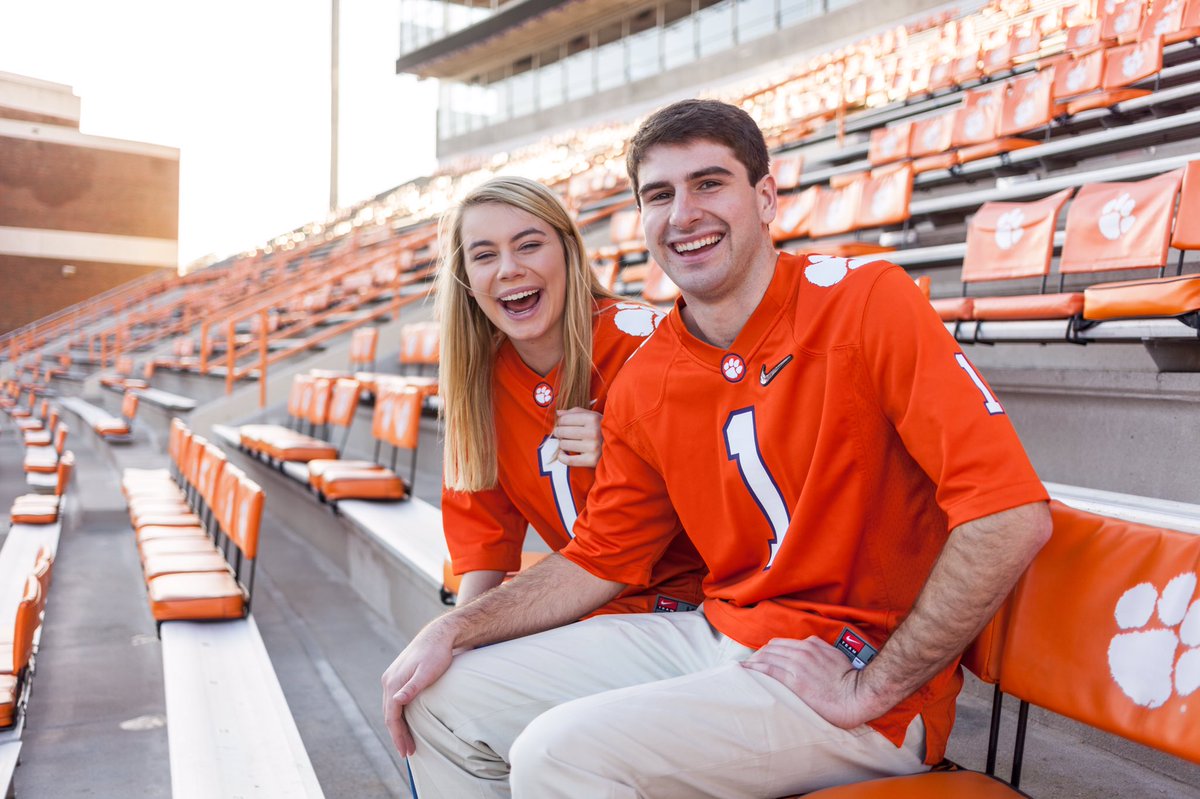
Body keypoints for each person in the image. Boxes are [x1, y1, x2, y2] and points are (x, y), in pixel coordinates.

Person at [382, 100, 1052, 799]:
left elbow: (1009, 516)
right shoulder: (649, 374)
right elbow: (598, 559)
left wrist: (872, 685)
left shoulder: (865, 301)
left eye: (709, 183)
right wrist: (456, 630)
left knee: (561, 754)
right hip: (718, 636)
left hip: (856, 679)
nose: (683, 213)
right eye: (660, 195)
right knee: (437, 698)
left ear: (766, 197)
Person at [435, 175, 705, 613]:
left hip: (694, 605)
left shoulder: (645, 341)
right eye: (484, 255)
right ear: (465, 276)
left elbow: (724, 471)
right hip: (589, 606)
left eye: (528, 245)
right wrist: (455, 636)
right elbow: (486, 542)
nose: (508, 269)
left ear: (568, 250)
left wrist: (628, 446)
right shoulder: (479, 381)